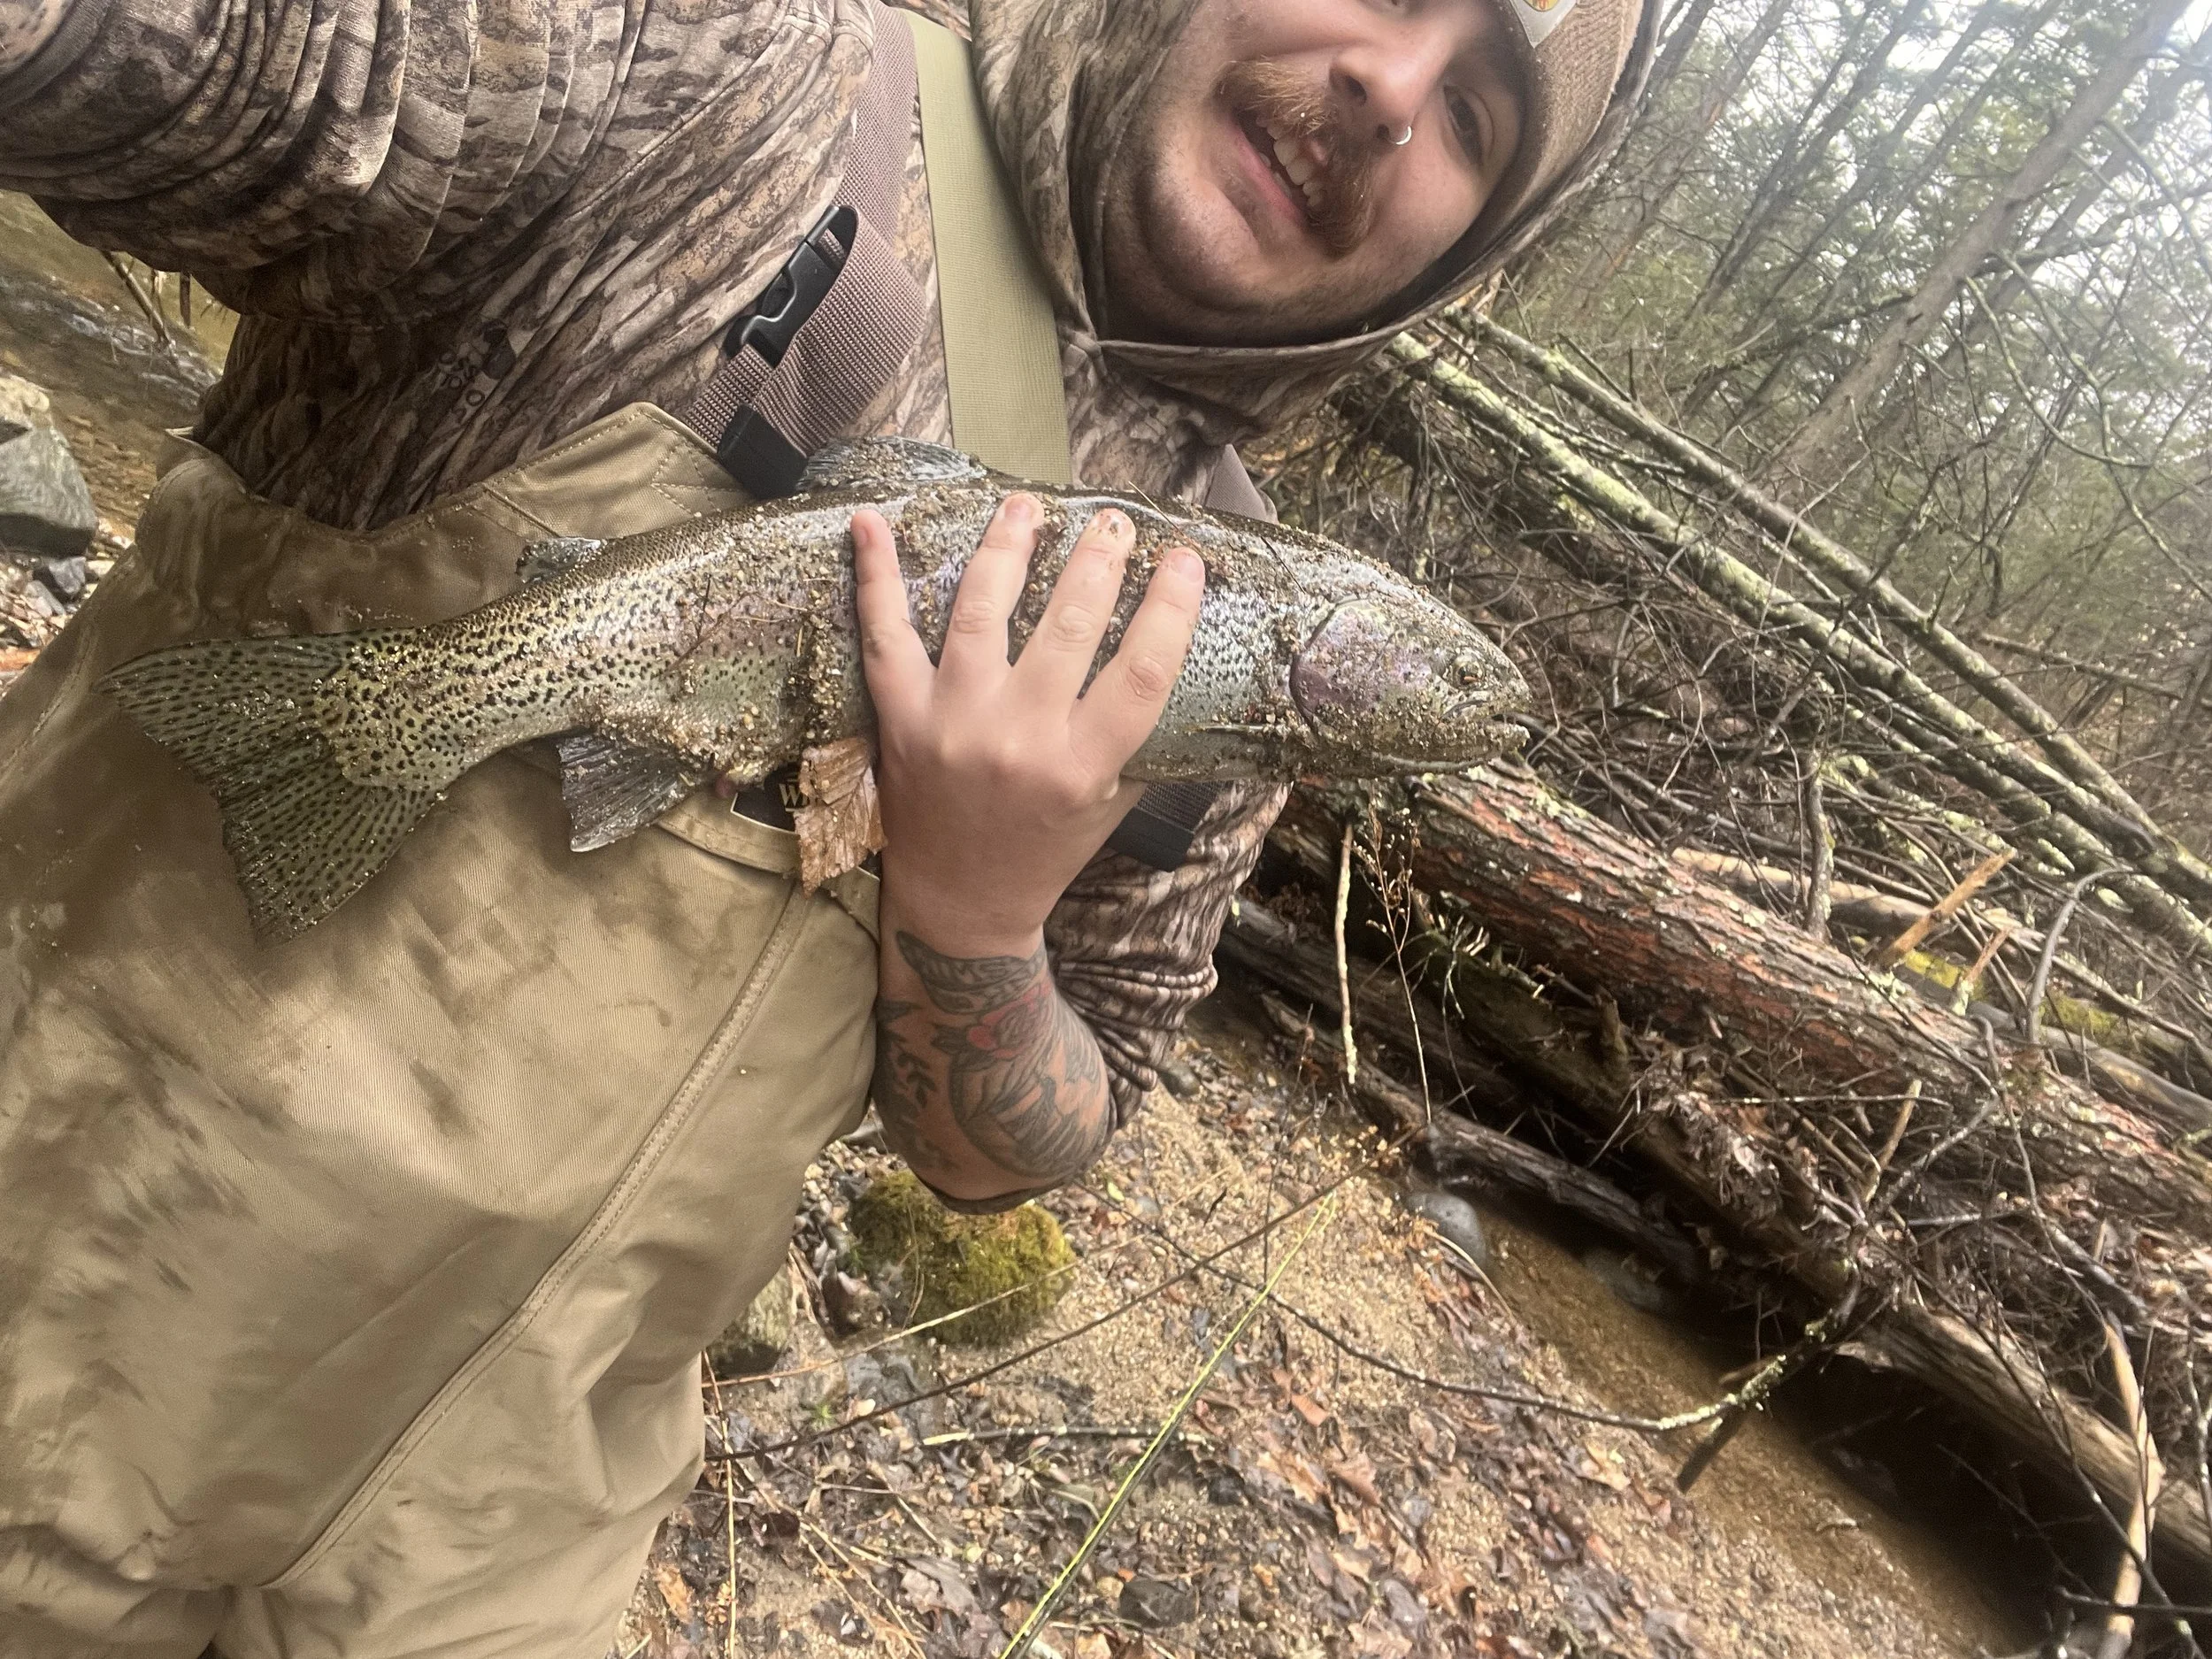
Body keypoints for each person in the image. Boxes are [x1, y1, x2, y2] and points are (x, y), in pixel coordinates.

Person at [0, 0, 1652, 1652]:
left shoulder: (1232, 648)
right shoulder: (737, 81)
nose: (1392, 91)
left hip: (499, 1549)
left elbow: (1027, 1147)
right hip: (63, 1344)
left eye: (1481, 125)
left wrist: (984, 923)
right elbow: (284, 66)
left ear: (1468, 258)